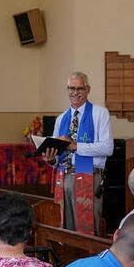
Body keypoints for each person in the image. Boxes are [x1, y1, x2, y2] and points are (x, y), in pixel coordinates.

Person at [42, 71, 113, 235]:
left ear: (87, 89)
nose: (75, 93)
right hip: (63, 177)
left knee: (87, 229)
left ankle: (87, 258)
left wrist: (75, 146)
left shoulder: (100, 113)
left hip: (89, 175)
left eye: (79, 88)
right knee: (64, 226)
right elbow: (57, 155)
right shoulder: (61, 119)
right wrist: (51, 159)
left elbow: (107, 148)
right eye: (71, 88)